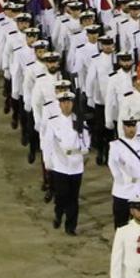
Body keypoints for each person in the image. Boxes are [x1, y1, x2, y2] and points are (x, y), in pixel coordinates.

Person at [44, 92, 89, 235]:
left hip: (76, 164)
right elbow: (48, 143)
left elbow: (86, 139)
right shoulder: (53, 122)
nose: (66, 105)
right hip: (60, 164)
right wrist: (48, 161)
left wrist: (84, 150)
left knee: (73, 198)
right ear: (59, 104)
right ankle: (58, 213)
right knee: (62, 195)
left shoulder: (79, 120)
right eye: (63, 102)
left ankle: (71, 226)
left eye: (69, 102)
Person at [109, 117, 140, 227]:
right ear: (123, 127)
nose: (131, 129)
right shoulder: (116, 145)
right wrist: (120, 179)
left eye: (133, 126)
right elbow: (113, 164)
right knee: (121, 224)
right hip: (123, 190)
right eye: (128, 126)